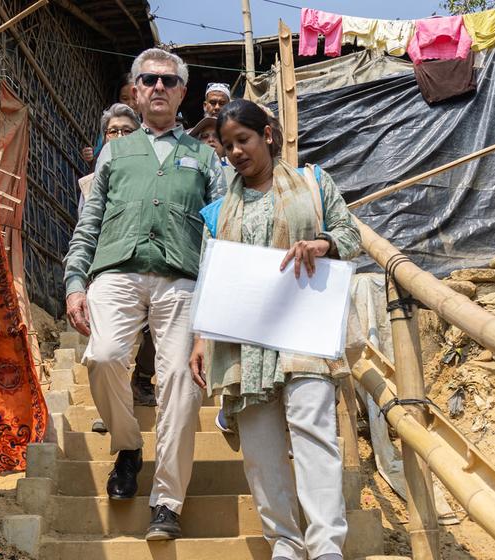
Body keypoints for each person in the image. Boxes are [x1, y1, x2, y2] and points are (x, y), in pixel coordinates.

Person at [63, 47, 225, 541]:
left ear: (182, 93)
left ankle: (167, 500)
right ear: (135, 91)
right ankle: (129, 446)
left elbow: (220, 230)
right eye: (148, 80)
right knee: (105, 355)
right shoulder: (114, 152)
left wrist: (216, 301)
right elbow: (89, 223)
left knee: (180, 378)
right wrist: (75, 281)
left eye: (168, 81)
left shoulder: (204, 157)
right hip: (115, 272)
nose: (158, 87)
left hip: (182, 277)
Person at [188, 98, 359, 560]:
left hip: (305, 330)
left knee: (314, 431)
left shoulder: (314, 182)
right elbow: (212, 278)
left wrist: (323, 243)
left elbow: (349, 233)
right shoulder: (218, 212)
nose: (235, 152)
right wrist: (202, 338)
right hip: (243, 342)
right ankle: (284, 541)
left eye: (242, 140)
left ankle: (326, 546)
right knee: (260, 447)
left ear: (267, 134)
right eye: (227, 146)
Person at [77, 104, 160, 432]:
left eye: (129, 131)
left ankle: (141, 380)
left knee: (151, 334)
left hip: (149, 267)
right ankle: (113, 411)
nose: (121, 137)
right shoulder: (90, 183)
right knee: (108, 348)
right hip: (108, 270)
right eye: (114, 132)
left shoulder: (153, 172)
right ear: (103, 138)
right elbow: (85, 227)